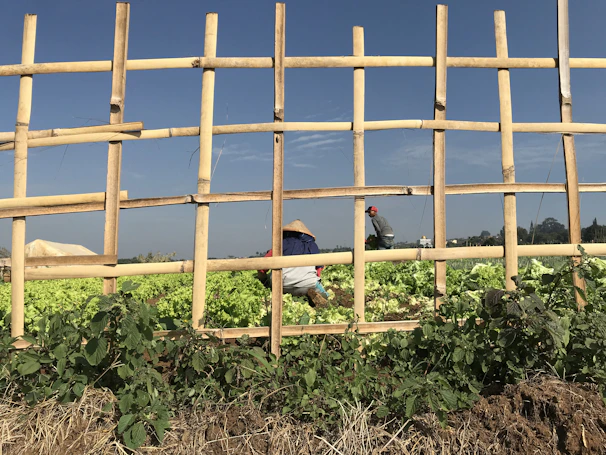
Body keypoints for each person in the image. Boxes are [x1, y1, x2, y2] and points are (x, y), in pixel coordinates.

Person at [257, 219, 329, 307]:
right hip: (307, 285)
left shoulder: (280, 244)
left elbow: (262, 267)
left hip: (281, 285)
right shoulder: (312, 246)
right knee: (320, 289)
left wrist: (264, 281)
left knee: (272, 278)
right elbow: (318, 270)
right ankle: (322, 297)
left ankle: (281, 294)